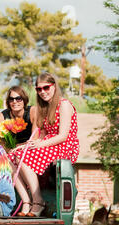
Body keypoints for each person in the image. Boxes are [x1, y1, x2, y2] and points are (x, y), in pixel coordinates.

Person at [8, 73, 79, 217]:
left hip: (65, 145)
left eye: (46, 87)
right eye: (39, 89)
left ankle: (39, 201)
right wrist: (26, 145)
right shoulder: (43, 107)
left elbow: (63, 135)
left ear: (54, 86)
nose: (43, 92)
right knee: (12, 156)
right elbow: (40, 135)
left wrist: (39, 145)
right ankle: (27, 201)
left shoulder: (64, 104)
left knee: (25, 157)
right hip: (50, 143)